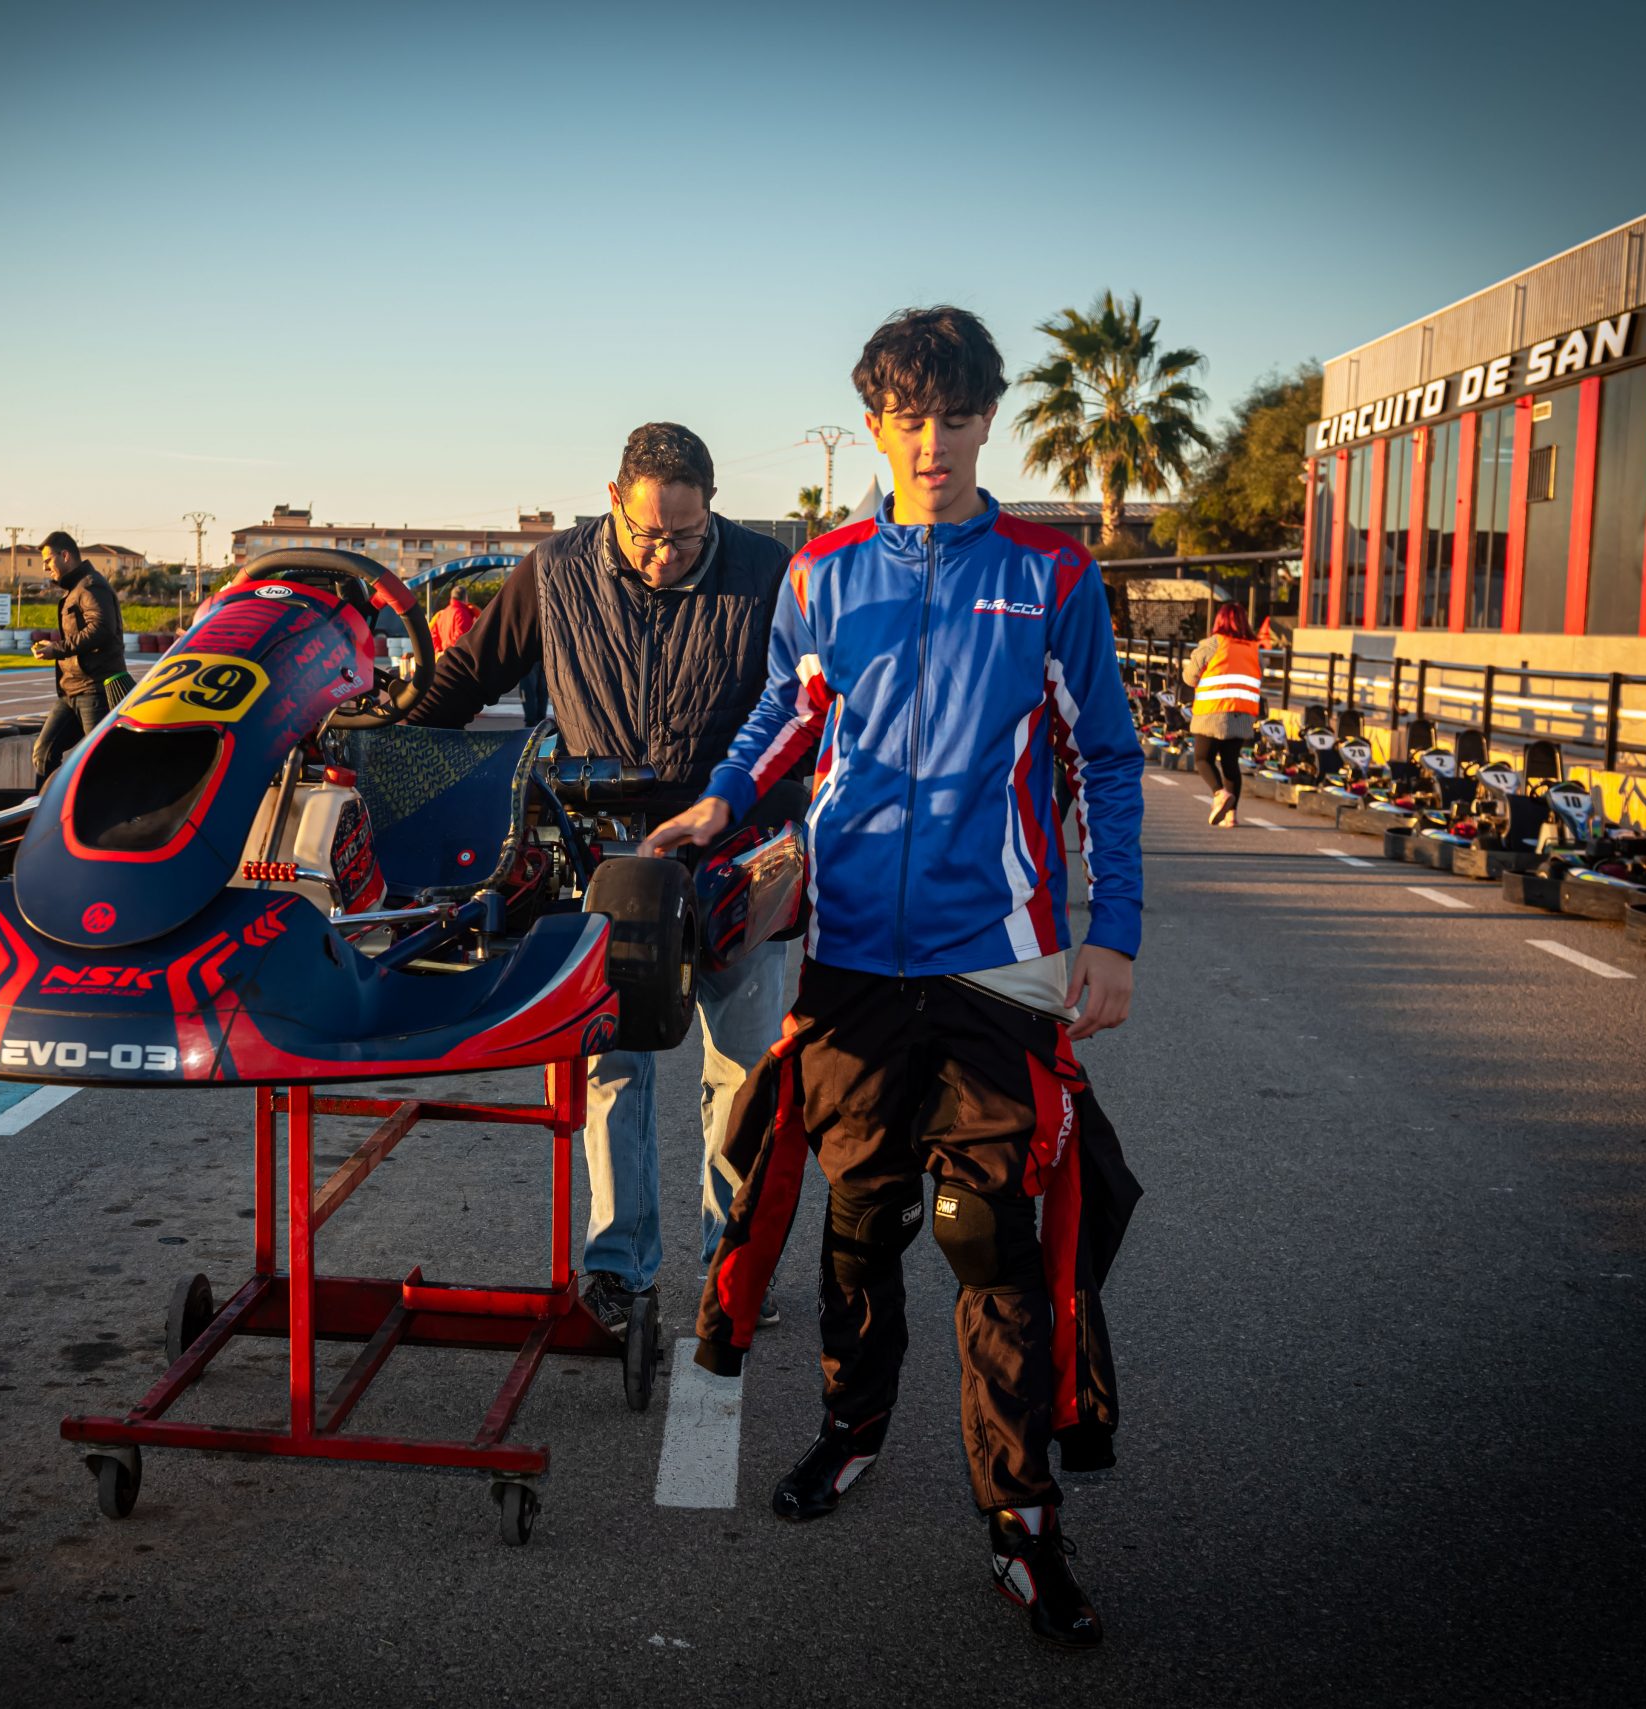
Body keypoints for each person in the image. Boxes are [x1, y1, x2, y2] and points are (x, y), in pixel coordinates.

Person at [643, 306, 1145, 1651]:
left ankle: (1022, 1519)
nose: (933, 442)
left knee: (991, 1238)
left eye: (957, 417)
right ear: (875, 425)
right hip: (852, 954)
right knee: (859, 1220)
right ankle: (851, 1425)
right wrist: (721, 801)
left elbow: (1106, 759)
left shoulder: (1052, 573)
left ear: (989, 421)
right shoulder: (823, 572)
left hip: (1001, 959)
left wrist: (1114, 932)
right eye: (910, 419)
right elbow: (787, 712)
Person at [408, 422, 795, 1339]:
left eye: (688, 536)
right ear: (613, 500)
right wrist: (399, 753)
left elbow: (808, 701)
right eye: (649, 535)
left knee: (743, 1074)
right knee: (611, 1066)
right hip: (610, 860)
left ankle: (731, 1263)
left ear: (713, 509)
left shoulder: (770, 572)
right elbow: (469, 675)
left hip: (738, 854)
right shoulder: (555, 570)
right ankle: (618, 1266)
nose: (666, 555)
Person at [30, 530, 127, 782]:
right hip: (70, 692)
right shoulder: (75, 589)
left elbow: (102, 629)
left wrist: (57, 649)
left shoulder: (91, 586)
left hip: (95, 690)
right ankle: (45, 806)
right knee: (43, 752)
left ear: (65, 556)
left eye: (48, 561)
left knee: (98, 762)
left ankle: (103, 806)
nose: (45, 568)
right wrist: (54, 647)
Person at [1184, 601, 1260, 825]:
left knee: (1202, 758)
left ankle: (1219, 793)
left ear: (1219, 620)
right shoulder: (1253, 648)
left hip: (1213, 711)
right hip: (1242, 713)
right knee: (1230, 763)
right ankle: (1231, 815)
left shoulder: (1213, 644)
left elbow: (1189, 677)